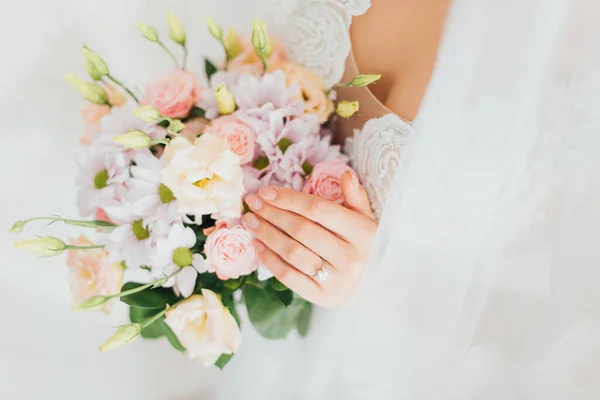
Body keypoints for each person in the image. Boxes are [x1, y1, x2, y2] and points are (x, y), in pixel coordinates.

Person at [215, 0, 600, 398]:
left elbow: (569, 330)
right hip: (257, 328)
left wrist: (381, 283)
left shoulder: (582, 39)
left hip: (403, 366)